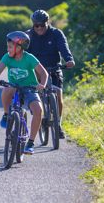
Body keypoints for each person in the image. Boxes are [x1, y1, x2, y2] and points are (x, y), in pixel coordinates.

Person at [0, 31, 48, 154]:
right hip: (14, 87)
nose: (8, 49)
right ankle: (6, 114)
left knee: (38, 110)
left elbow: (44, 73)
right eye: (8, 46)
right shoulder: (7, 57)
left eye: (10, 47)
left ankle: (31, 143)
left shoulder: (29, 58)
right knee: (7, 88)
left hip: (29, 88)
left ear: (19, 47)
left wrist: (42, 84)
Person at [26, 9, 75, 139]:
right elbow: (23, 53)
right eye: (36, 25)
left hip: (54, 68)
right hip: (36, 71)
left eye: (42, 25)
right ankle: (38, 112)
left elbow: (64, 47)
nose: (39, 28)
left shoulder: (56, 33)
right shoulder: (29, 35)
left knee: (58, 94)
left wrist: (69, 59)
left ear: (48, 22)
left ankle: (57, 124)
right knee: (35, 94)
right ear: (33, 24)